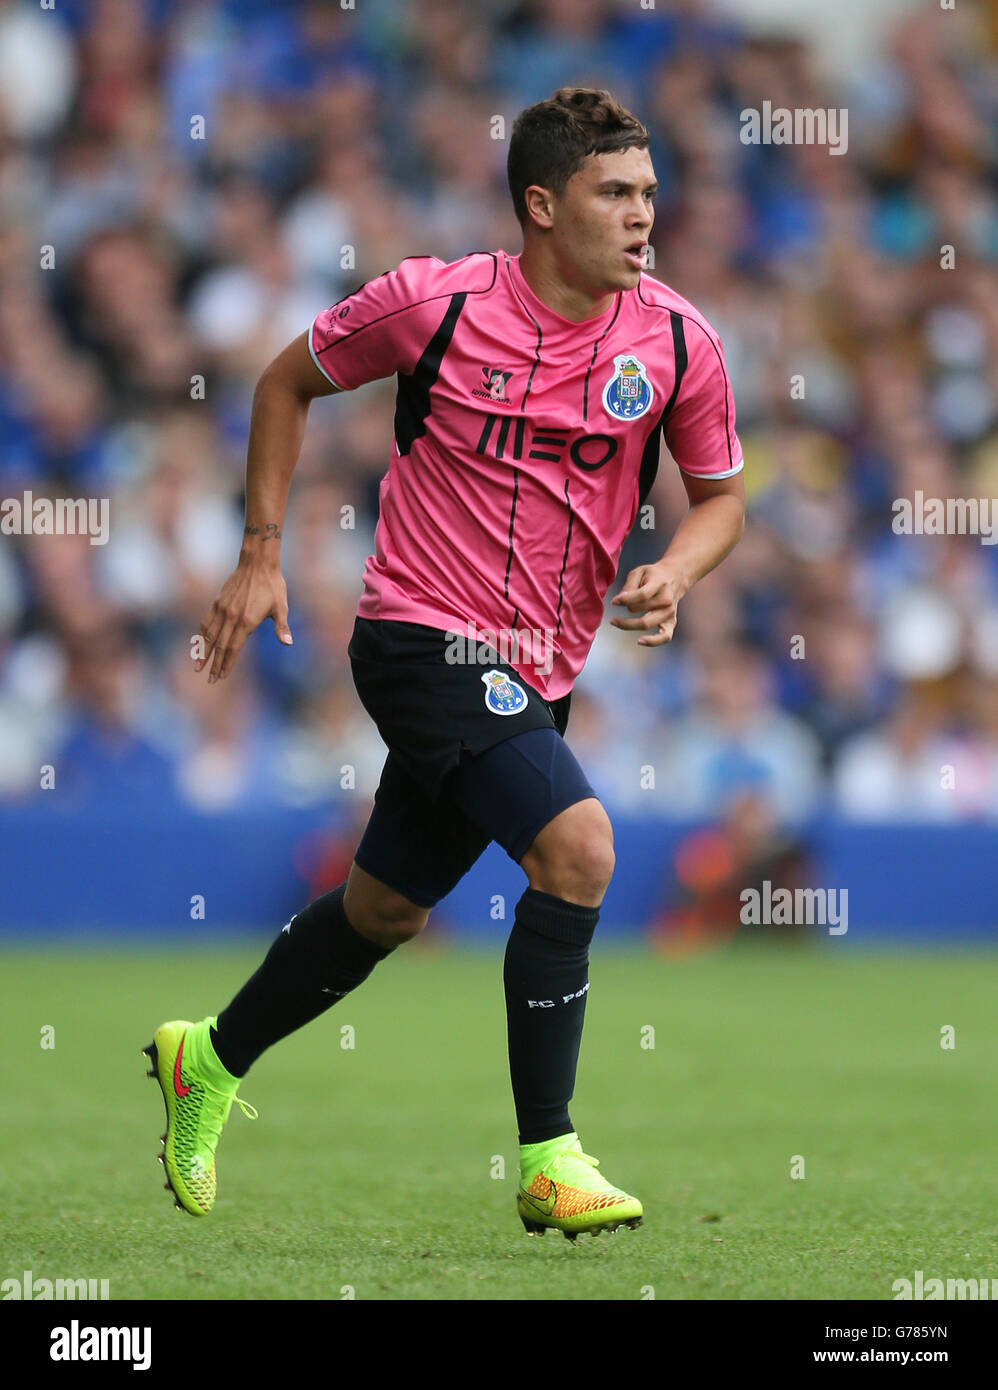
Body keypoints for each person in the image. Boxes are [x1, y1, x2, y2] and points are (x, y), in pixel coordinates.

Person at [143, 87, 745, 1241]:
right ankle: (547, 1156)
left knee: (383, 910)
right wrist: (261, 550)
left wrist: (680, 570)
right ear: (540, 204)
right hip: (420, 632)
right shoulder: (435, 303)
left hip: (540, 672)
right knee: (578, 847)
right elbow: (284, 381)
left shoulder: (674, 340)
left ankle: (205, 1058)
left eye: (649, 194)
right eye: (614, 193)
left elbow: (717, 501)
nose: (641, 217)